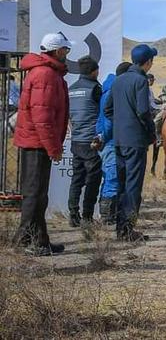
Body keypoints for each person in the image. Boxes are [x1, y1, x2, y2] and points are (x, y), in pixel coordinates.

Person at [13, 33, 72, 256]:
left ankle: (40, 240)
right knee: (34, 194)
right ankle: (24, 242)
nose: (67, 54)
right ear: (57, 51)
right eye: (65, 50)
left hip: (37, 142)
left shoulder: (47, 73)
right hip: (37, 143)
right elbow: (42, 117)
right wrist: (53, 147)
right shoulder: (45, 75)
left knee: (39, 194)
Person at [106, 44, 158, 242]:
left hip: (119, 140)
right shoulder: (140, 81)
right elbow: (144, 111)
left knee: (121, 184)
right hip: (135, 141)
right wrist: (150, 132)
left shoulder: (118, 80)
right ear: (147, 62)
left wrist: (121, 123)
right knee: (133, 185)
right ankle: (127, 230)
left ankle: (120, 228)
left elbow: (108, 110)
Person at [67, 55, 103, 228]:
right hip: (91, 141)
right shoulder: (96, 88)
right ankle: (87, 216)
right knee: (93, 179)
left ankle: (73, 215)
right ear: (93, 71)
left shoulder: (71, 89)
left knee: (77, 178)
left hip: (76, 140)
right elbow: (103, 113)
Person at [95, 61, 132, 225]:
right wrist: (105, 136)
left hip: (107, 139)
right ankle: (108, 217)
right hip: (111, 140)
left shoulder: (108, 90)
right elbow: (110, 119)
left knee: (109, 176)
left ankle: (108, 214)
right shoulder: (113, 92)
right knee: (113, 177)